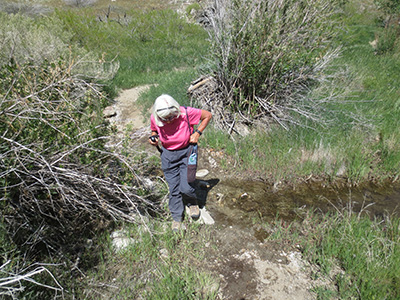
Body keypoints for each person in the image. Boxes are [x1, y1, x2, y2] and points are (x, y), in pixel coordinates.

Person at [149, 94, 212, 232]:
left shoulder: (186, 113)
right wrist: (153, 137)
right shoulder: (155, 117)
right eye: (166, 119)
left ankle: (192, 202)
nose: (170, 120)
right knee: (174, 187)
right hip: (168, 154)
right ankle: (177, 217)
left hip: (187, 152)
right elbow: (154, 129)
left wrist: (197, 133)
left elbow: (207, 115)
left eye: (172, 116)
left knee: (187, 184)